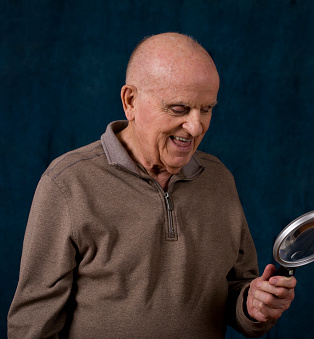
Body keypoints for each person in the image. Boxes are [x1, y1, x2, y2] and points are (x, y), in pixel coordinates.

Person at [8, 33, 296, 338]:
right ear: (130, 101)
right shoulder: (68, 183)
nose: (196, 127)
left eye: (207, 109)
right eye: (179, 109)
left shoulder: (219, 179)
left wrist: (253, 305)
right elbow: (33, 323)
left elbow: (235, 288)